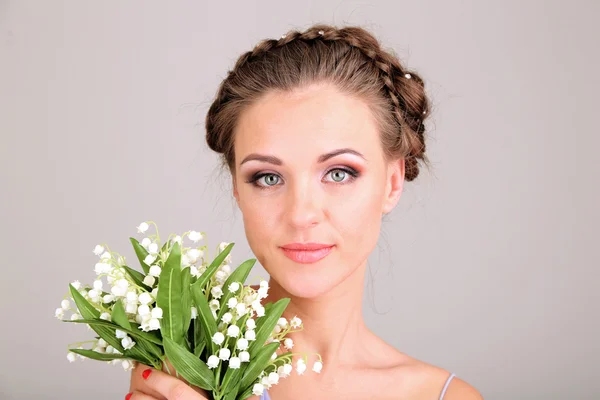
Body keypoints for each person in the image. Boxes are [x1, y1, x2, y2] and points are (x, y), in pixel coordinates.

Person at [127, 24, 483, 400]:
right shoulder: (187, 360)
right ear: (236, 188)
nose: (300, 214)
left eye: (339, 173)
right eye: (267, 178)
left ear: (392, 183)